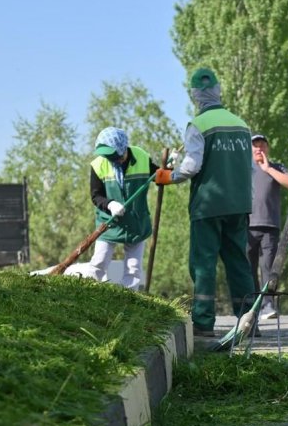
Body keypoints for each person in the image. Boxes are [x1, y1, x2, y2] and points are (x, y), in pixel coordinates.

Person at [154, 68, 255, 337]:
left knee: (203, 264)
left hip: (208, 206)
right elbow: (250, 168)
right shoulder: (241, 125)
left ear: (194, 95)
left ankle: (203, 322)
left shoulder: (198, 125)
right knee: (238, 263)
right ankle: (248, 320)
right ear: (218, 91)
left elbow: (191, 167)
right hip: (239, 204)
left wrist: (168, 176)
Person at [89, 127, 159, 290]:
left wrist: (169, 168)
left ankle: (129, 301)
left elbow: (158, 176)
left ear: (123, 149)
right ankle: (88, 292)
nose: (113, 160)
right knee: (99, 261)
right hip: (109, 223)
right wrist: (110, 204)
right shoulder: (98, 164)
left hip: (136, 222)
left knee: (133, 268)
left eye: (116, 156)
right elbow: (96, 196)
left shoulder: (141, 157)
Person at [247, 134, 288, 320]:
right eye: (255, 146)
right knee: (248, 269)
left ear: (267, 149)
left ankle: (268, 305)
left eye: (262, 145)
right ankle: (252, 308)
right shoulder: (244, 169)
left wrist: (267, 169)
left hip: (270, 226)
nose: (259, 148)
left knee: (268, 268)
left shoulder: (276, 168)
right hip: (247, 226)